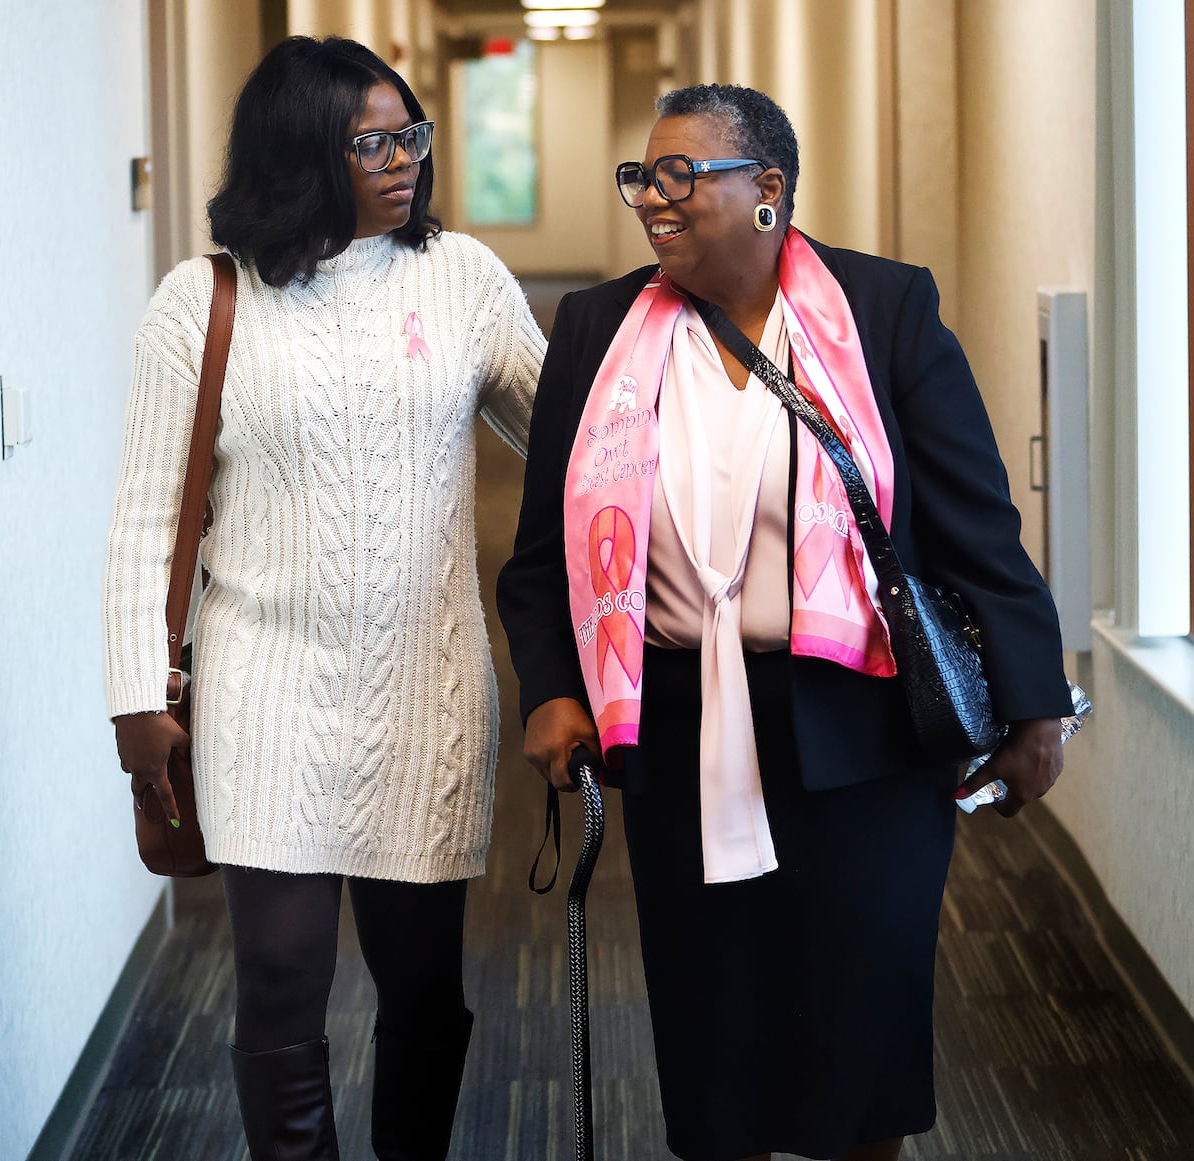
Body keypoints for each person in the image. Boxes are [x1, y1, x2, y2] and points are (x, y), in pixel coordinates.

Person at [496, 84, 1070, 1161]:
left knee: (862, 1032)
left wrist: (1033, 705)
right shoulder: (593, 329)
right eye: (641, 177)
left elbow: (972, 525)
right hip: (671, 729)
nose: (653, 200)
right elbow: (539, 556)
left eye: (681, 175)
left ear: (769, 189)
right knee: (716, 1040)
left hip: (862, 733)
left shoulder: (883, 309)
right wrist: (550, 688)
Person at [103, 36, 543, 1161]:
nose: (404, 160)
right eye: (373, 142)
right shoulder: (199, 303)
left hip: (423, 693)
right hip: (267, 693)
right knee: (281, 986)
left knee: (424, 990)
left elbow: (573, 442)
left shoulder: (462, 281)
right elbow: (146, 522)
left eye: (413, 136)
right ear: (300, 154)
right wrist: (132, 703)